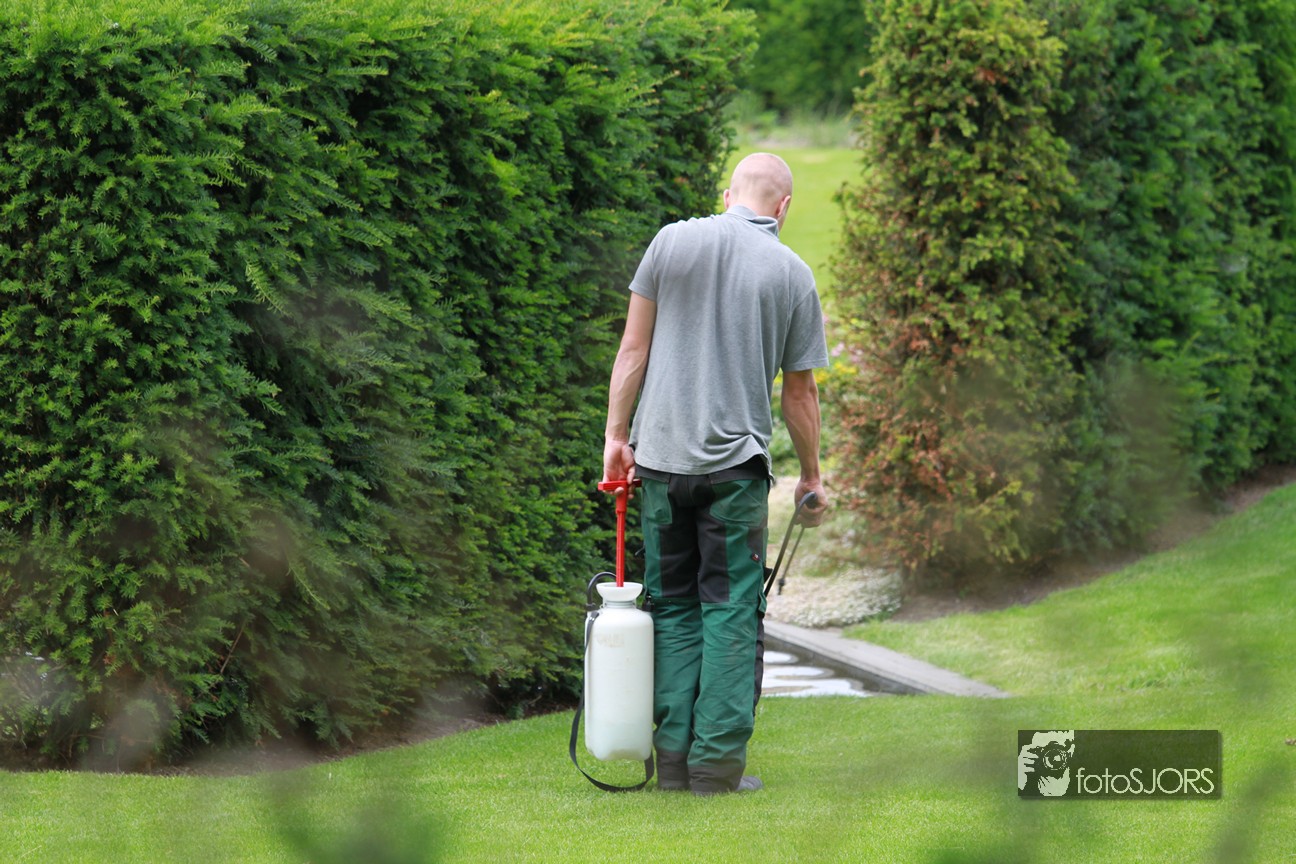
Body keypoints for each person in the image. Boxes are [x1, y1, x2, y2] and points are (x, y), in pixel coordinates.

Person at [601, 152, 830, 795]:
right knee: (729, 612)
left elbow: (633, 349)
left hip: (658, 463)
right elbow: (800, 394)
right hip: (733, 472)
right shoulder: (792, 274)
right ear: (783, 207)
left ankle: (674, 764)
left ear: (727, 195)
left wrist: (617, 437)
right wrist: (812, 477)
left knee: (673, 607)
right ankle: (716, 768)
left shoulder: (670, 242)